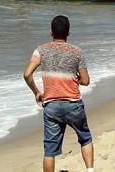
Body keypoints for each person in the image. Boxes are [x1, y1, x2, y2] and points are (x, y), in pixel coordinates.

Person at [23, 15, 94, 172]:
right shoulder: (77, 52)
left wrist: (36, 92)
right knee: (85, 138)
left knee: (49, 150)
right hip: (73, 104)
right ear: (68, 33)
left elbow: (27, 74)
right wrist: (75, 79)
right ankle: (90, 170)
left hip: (52, 106)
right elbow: (86, 80)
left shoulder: (40, 50)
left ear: (51, 32)